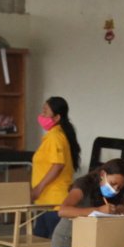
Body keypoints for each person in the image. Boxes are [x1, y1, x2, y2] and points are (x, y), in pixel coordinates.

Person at [30, 96, 82, 233]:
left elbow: (58, 165)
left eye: (45, 112)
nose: (42, 115)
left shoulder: (55, 137)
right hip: (46, 201)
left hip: (54, 200)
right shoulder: (54, 135)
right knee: (40, 242)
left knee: (52, 244)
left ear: (57, 117)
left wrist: (38, 188)